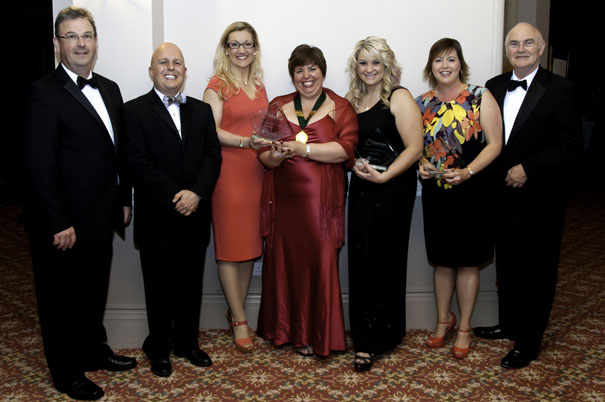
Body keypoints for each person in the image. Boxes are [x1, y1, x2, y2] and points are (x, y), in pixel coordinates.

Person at [21, 6, 136, 400]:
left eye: (86, 35)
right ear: (57, 44)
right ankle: (66, 372)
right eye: (71, 36)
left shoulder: (110, 89)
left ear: (96, 41)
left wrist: (124, 198)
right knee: (60, 301)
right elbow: (38, 164)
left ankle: (93, 351)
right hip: (63, 222)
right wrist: (56, 220)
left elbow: (118, 153)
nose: (81, 43)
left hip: (101, 215)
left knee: (92, 292)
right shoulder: (42, 93)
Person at [474, 23, 582, 369]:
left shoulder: (562, 89)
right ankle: (509, 324)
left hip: (541, 197)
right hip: (500, 196)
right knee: (507, 265)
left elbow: (570, 146)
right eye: (514, 44)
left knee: (537, 270)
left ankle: (529, 342)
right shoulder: (493, 86)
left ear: (541, 47)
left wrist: (529, 168)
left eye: (528, 43)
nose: (520, 49)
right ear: (507, 49)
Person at [123, 42, 222, 377]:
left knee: (191, 285)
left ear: (185, 71)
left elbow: (213, 157)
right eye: (163, 62)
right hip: (157, 216)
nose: (170, 67)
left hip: (196, 213)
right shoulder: (134, 111)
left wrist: (196, 193)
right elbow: (137, 163)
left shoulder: (202, 111)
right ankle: (159, 348)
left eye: (177, 62)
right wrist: (176, 196)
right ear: (152, 71)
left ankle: (187, 343)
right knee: (158, 288)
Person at [257, 45, 358, 357]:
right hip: (284, 204)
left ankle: (320, 334)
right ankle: (286, 331)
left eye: (312, 68)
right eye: (299, 70)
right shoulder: (277, 105)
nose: (306, 75)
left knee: (321, 263)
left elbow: (346, 151)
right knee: (285, 262)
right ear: (293, 75)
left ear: (322, 71)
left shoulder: (341, 107)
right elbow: (263, 155)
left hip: (322, 206)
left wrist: (304, 150)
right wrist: (275, 155)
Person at [416, 38, 502, 359]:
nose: (445, 66)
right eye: (438, 60)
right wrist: (421, 164)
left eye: (451, 59)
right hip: (437, 194)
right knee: (442, 260)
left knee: (467, 262)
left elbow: (495, 144)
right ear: (431, 66)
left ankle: (464, 326)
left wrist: (468, 172)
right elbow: (414, 147)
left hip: (473, 192)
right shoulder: (421, 103)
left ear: (460, 64)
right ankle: (443, 321)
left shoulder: (480, 96)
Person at [345, 37, 423, 371]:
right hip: (363, 189)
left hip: (392, 190)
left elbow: (415, 148)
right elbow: (349, 146)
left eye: (376, 62)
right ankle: (363, 336)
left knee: (386, 259)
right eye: (363, 62)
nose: (369, 69)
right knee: (361, 260)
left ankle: (382, 337)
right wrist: (353, 164)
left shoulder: (399, 97)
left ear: (387, 65)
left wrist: (385, 176)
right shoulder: (352, 100)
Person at [202, 22, 269, 353]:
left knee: (249, 248)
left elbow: (265, 127)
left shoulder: (259, 85)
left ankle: (235, 311)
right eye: (235, 44)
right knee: (230, 248)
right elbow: (210, 131)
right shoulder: (217, 85)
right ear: (226, 50)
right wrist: (245, 142)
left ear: (255, 49)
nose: (241, 50)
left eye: (247, 44)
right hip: (228, 174)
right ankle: (241, 320)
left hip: (257, 173)